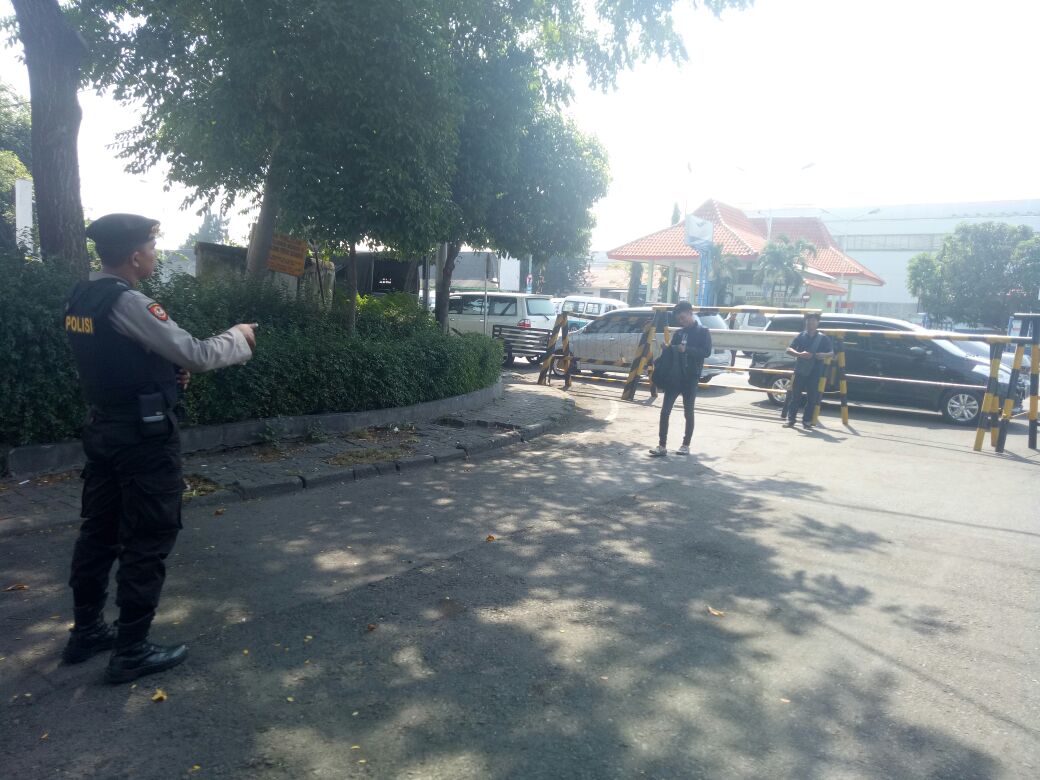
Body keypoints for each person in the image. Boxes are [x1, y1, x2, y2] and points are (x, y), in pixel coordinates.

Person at [62, 213, 258, 683]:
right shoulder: (129, 301)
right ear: (134, 257)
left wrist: (161, 374)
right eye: (151, 248)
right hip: (142, 440)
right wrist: (239, 336)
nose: (154, 254)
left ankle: (86, 630)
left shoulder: (81, 296)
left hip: (104, 430)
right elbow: (197, 354)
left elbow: (111, 360)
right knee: (149, 535)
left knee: (99, 531)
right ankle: (132, 649)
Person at [649, 301, 712, 457]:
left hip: (691, 378)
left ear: (690, 313)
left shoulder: (703, 332)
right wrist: (667, 348)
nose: (681, 321)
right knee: (665, 411)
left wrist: (687, 350)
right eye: (679, 319)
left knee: (688, 412)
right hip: (674, 377)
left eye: (683, 318)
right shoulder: (678, 333)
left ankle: (685, 445)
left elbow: (706, 352)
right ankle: (662, 446)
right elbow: (672, 353)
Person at [782, 312, 833, 430]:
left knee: (812, 398)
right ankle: (791, 420)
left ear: (818, 323)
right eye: (809, 321)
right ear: (806, 322)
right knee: (795, 396)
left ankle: (807, 421)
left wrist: (822, 355)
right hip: (800, 370)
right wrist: (799, 354)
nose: (810, 323)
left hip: (815, 372)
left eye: (813, 321)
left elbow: (831, 353)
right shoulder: (801, 336)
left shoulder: (823, 338)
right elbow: (789, 349)